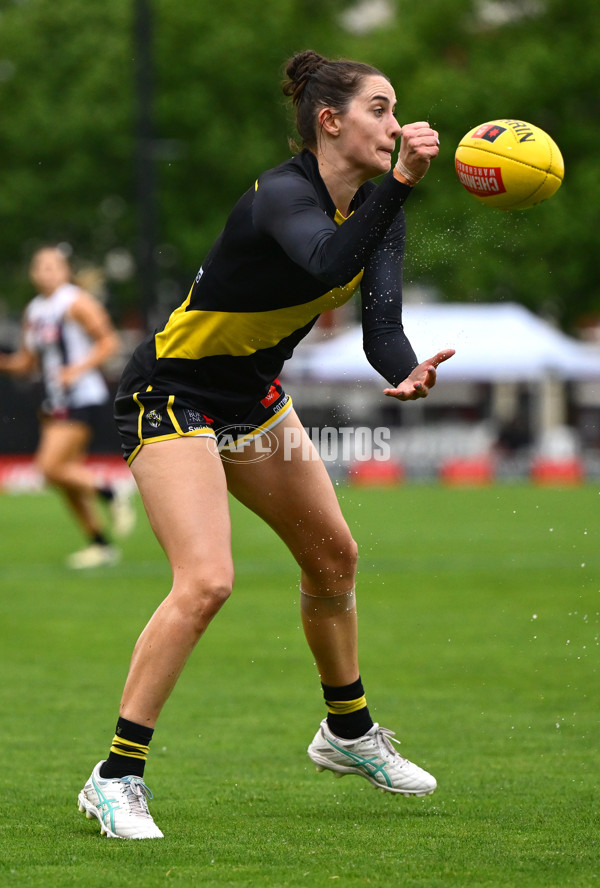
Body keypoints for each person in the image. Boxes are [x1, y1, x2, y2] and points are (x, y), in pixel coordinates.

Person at [77, 50, 455, 839]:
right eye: (380, 110)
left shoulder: (382, 210)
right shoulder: (283, 194)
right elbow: (326, 260)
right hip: (171, 396)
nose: (396, 124)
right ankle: (115, 776)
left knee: (334, 559)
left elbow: (380, 327)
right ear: (330, 121)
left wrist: (405, 368)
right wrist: (404, 185)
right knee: (208, 580)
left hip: (250, 403)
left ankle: (347, 734)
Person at [0, 246, 136, 568]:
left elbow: (110, 341)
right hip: (53, 399)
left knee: (49, 468)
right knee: (62, 478)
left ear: (64, 271)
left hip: (80, 396)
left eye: (51, 266)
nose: (44, 272)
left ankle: (110, 490)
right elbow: (27, 362)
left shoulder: (75, 301)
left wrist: (77, 369)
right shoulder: (34, 310)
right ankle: (100, 545)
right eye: (38, 266)